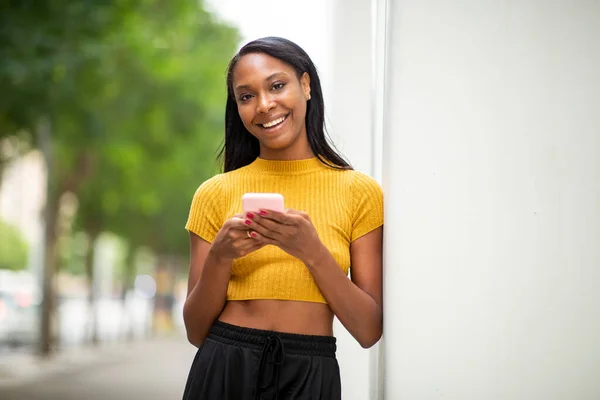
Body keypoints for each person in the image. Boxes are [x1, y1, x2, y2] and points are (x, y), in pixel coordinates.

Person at [182, 36, 383, 400]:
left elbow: (369, 330)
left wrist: (311, 251)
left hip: (311, 371)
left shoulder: (360, 192)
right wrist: (221, 257)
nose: (264, 105)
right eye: (246, 96)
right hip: (226, 364)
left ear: (305, 85)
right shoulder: (214, 193)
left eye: (276, 86)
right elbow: (196, 331)